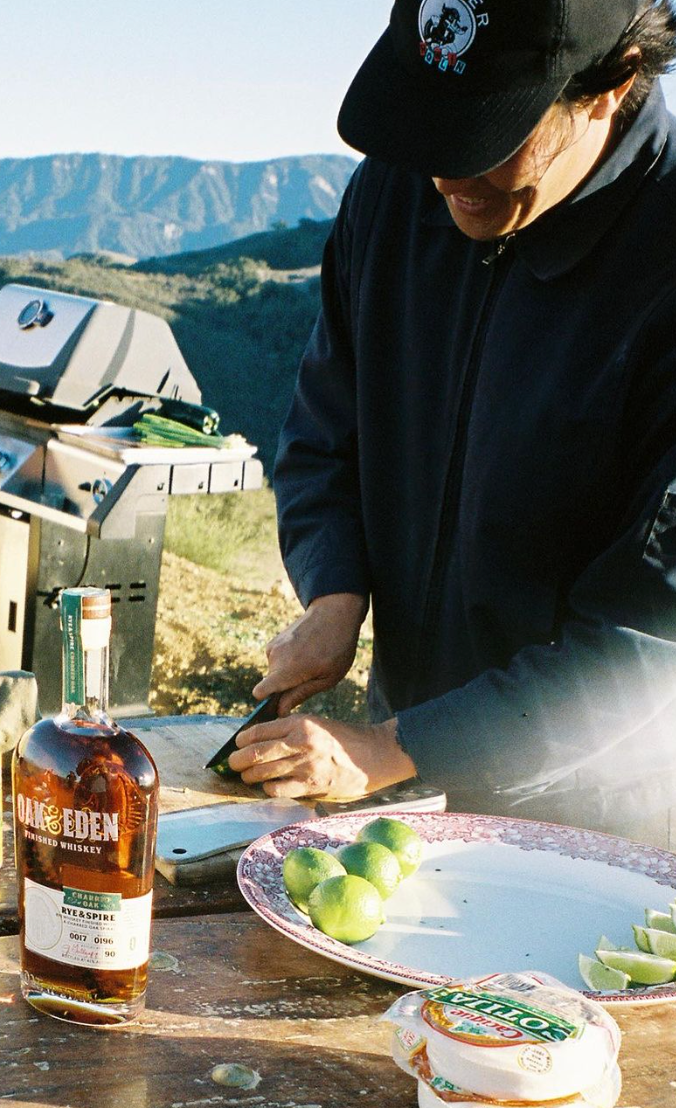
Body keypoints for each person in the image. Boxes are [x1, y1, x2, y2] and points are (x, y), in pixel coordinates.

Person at [229, 0, 676, 848]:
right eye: (429, 126)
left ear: (611, 85)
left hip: (598, 820)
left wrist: (392, 750)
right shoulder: (399, 191)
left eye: (490, 135)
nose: (443, 176)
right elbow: (326, 435)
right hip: (399, 773)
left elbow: (646, 641)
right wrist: (334, 593)